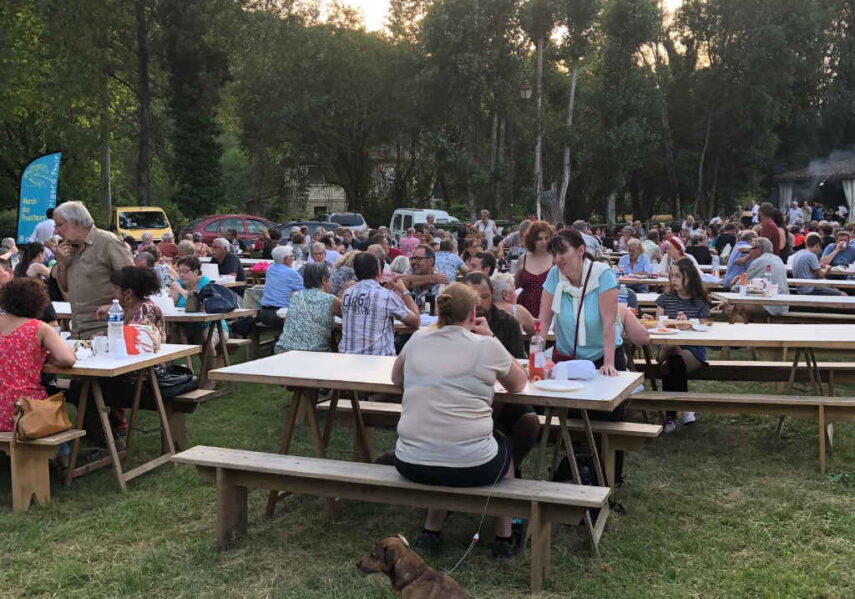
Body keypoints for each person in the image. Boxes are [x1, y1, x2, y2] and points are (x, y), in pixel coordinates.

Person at [391, 282, 528, 558]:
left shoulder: (418, 339)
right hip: (471, 465)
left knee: (444, 441)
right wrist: (492, 338)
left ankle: (431, 533)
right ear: (473, 312)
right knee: (504, 445)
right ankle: (504, 537)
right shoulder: (486, 346)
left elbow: (397, 380)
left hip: (410, 461)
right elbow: (518, 384)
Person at [538, 229, 623, 376]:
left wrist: (608, 363)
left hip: (602, 357)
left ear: (581, 250)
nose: (558, 259)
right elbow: (544, 321)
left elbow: (609, 324)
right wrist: (537, 358)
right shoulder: (554, 275)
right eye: (554, 254)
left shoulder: (603, 275)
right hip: (565, 360)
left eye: (562, 251)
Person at [0, 278, 76, 432]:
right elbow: (67, 359)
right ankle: (63, 453)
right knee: (54, 410)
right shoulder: (38, 328)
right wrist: (45, 355)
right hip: (24, 410)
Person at [53, 201, 134, 338]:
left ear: (76, 222)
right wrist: (62, 265)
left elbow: (132, 282)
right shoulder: (69, 248)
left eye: (59, 225)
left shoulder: (108, 242)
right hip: (78, 331)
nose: (55, 231)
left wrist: (118, 307)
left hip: (105, 329)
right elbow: (66, 288)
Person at [655, 258, 712, 432]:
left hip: (692, 350)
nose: (673, 280)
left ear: (689, 277)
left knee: (671, 363)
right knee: (672, 356)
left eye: (678, 276)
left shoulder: (699, 301)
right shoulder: (665, 298)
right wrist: (666, 323)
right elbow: (660, 326)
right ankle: (685, 407)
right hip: (667, 346)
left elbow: (705, 327)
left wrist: (690, 323)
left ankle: (671, 416)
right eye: (672, 275)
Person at [339, 252, 420, 356]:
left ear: (356, 272)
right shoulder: (386, 296)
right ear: (378, 271)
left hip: (347, 358)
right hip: (379, 362)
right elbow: (416, 322)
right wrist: (404, 290)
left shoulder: (348, 293)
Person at [274, 263, 342, 353]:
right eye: (330, 280)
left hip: (284, 349)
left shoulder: (295, 296)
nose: (331, 283)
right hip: (314, 352)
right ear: (324, 280)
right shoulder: (331, 299)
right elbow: (352, 317)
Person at [742, 237, 790, 318]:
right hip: (782, 305)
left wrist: (736, 283)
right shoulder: (778, 259)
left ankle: (745, 329)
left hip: (770, 306)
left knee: (737, 306)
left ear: (759, 249)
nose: (749, 252)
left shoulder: (759, 261)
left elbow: (740, 286)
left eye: (751, 248)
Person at [515, 221, 554, 318]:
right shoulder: (523, 259)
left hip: (550, 311)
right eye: (539, 239)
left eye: (546, 238)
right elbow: (516, 286)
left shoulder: (556, 258)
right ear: (532, 240)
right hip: (525, 311)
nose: (544, 242)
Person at [260, 245, 304, 323]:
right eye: (292, 256)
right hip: (280, 314)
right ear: (286, 259)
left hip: (263, 313)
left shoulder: (270, 268)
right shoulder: (291, 272)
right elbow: (304, 290)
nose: (293, 258)